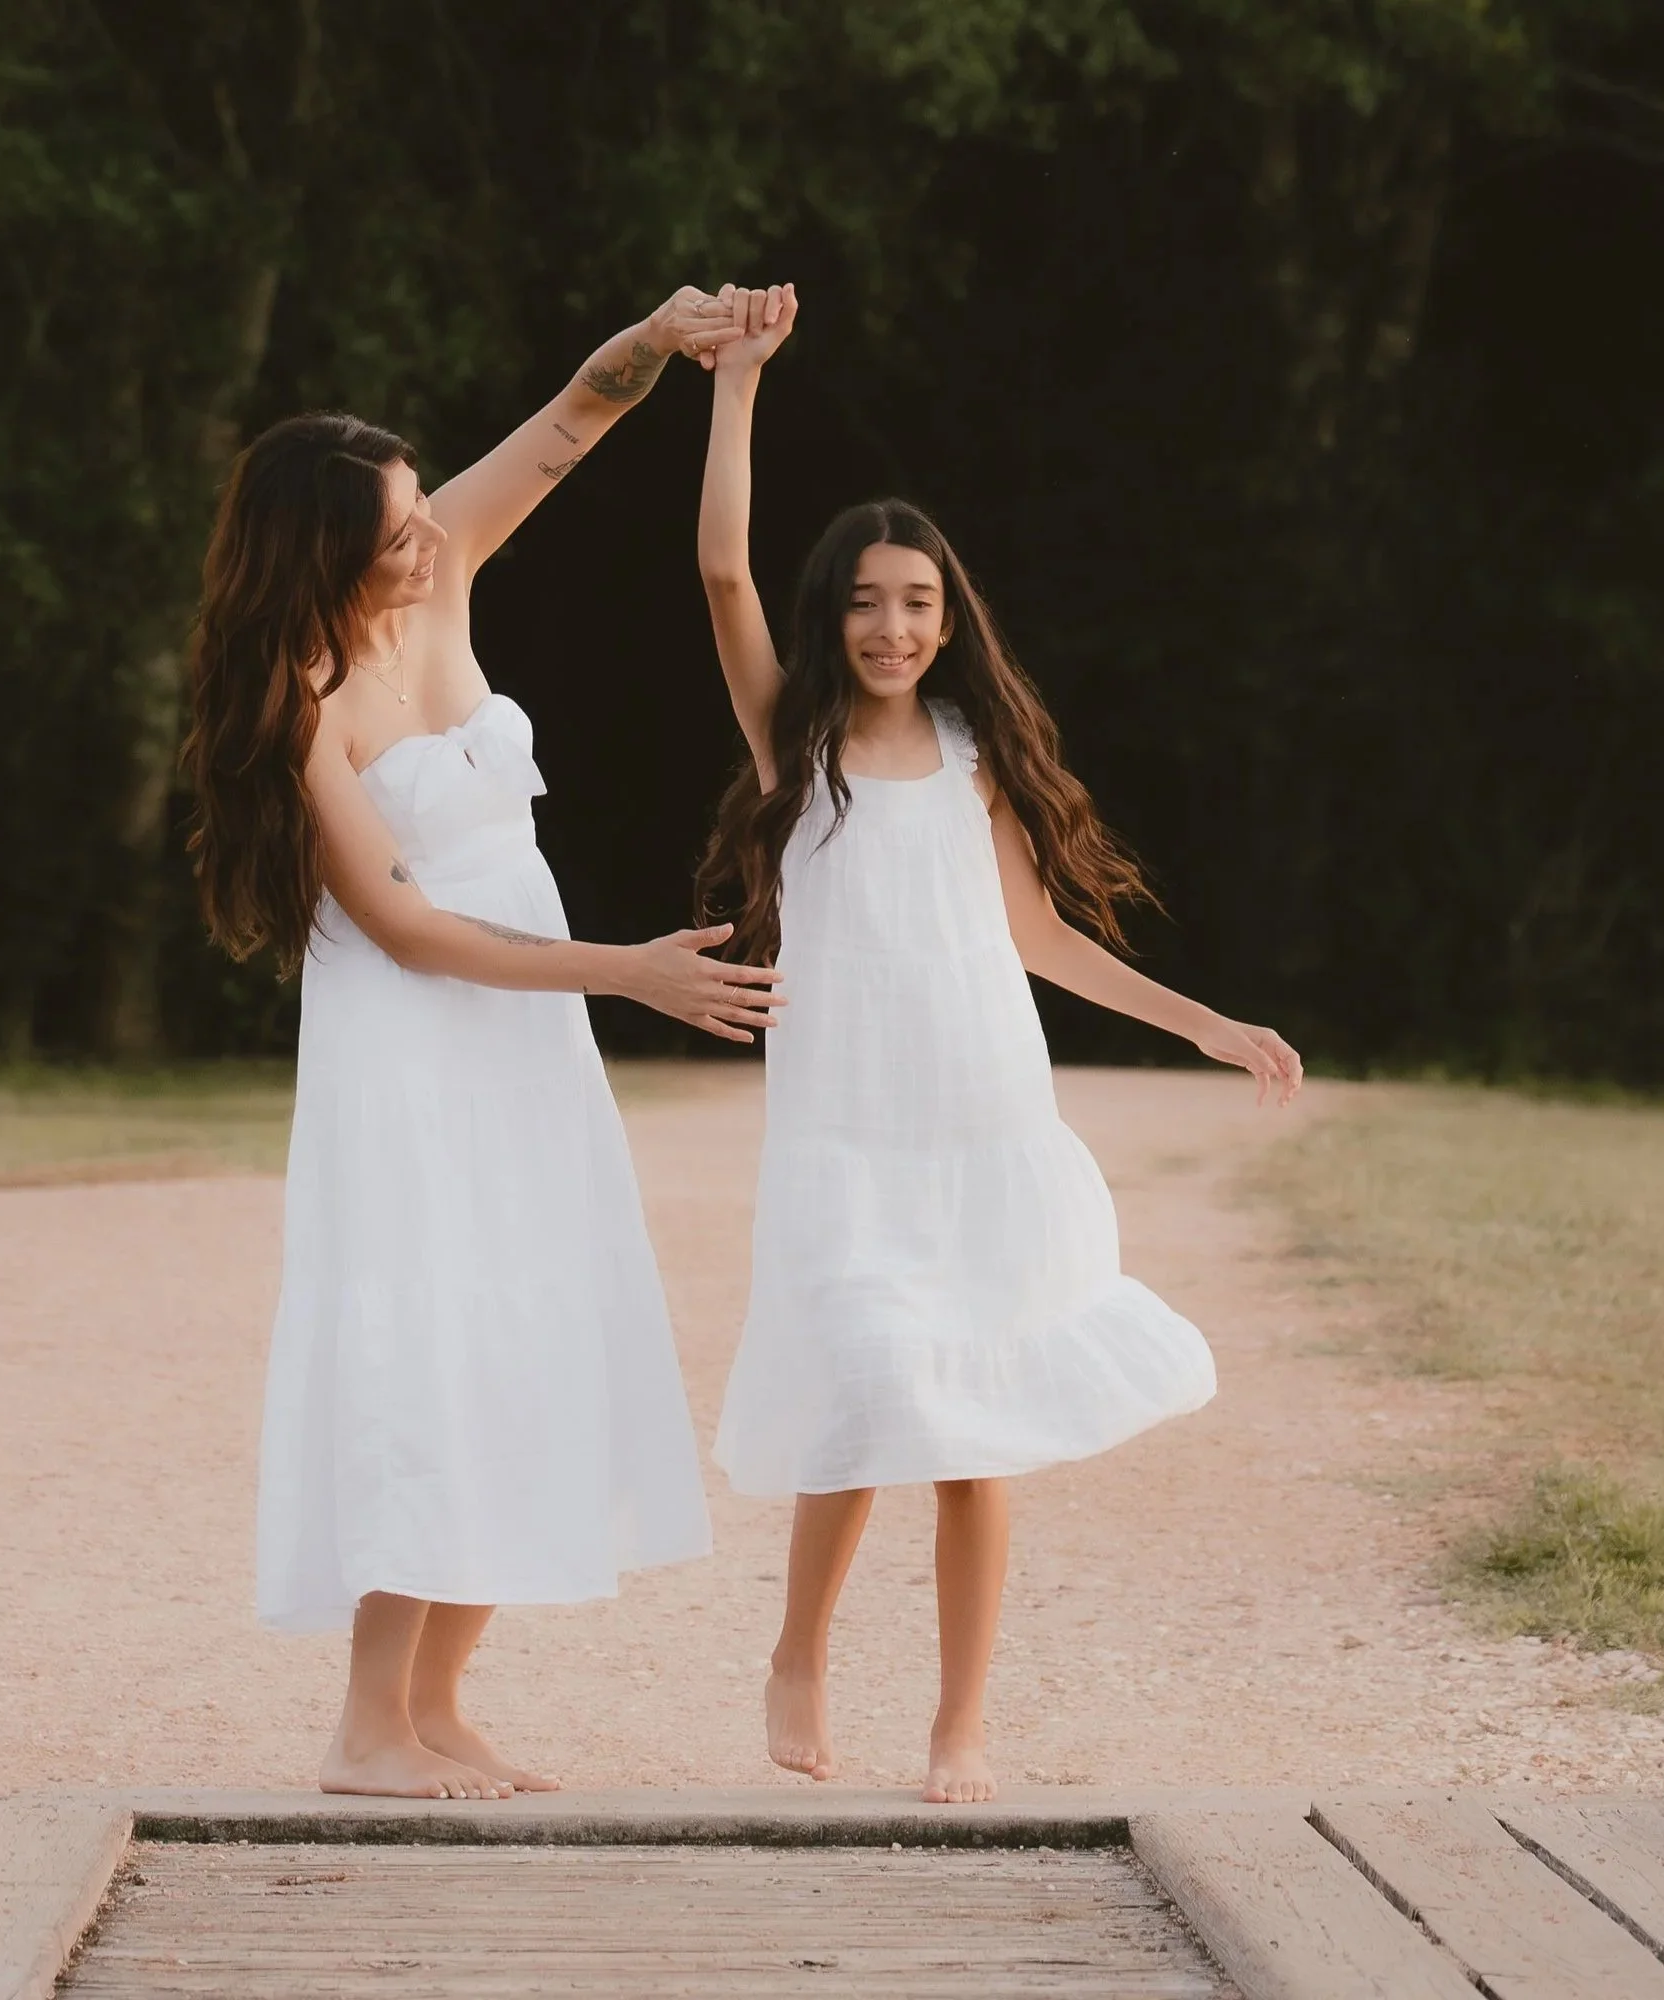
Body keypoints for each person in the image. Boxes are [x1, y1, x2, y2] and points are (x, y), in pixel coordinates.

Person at [692, 285, 1302, 1803]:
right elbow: (719, 569)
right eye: (865, 601)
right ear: (832, 616)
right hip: (845, 1132)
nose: (891, 627)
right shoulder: (796, 746)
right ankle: (798, 1651)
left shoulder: (976, 760)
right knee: (861, 1386)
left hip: (980, 1126)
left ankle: (959, 1721)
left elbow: (1042, 940)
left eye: (917, 602)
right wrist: (738, 385)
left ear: (949, 619)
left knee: (974, 1436)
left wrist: (1208, 1024)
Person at [182, 287, 780, 1801]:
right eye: (395, 532)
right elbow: (402, 925)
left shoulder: (436, 584)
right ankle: (366, 1726)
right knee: (430, 1348)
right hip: (411, 1057)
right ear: (322, 553)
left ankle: (440, 1705)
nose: (428, 541)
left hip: (524, 1041)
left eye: (419, 514)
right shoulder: (301, 703)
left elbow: (577, 418)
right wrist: (627, 975)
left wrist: (668, 339)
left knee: (532, 1330)